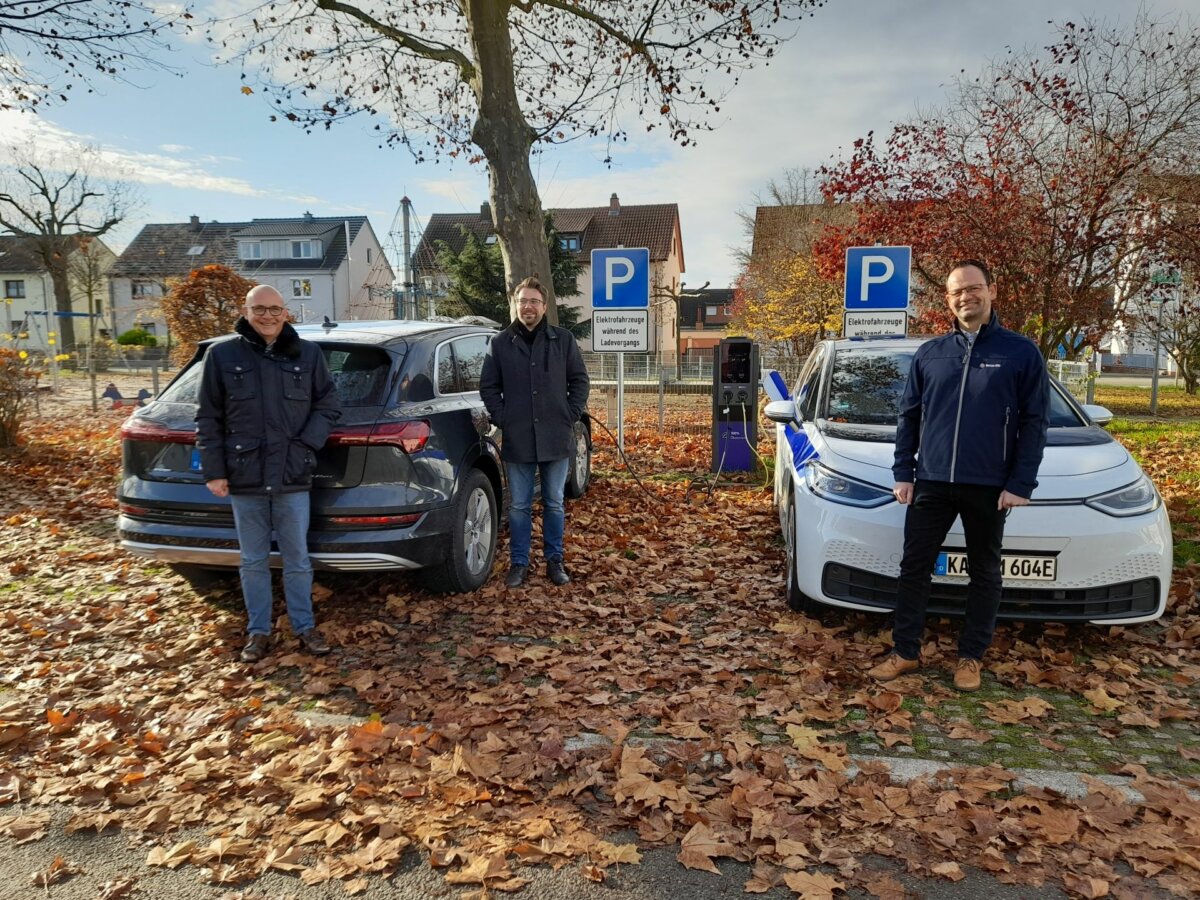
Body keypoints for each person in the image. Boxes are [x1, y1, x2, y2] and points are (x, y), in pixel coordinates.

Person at [869, 259, 1049, 692]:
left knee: (984, 573)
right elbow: (908, 417)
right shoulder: (931, 354)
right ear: (947, 301)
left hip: (989, 487)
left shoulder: (1020, 353)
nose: (966, 296)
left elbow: (1035, 422)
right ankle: (906, 652)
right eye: (957, 292)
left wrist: (1020, 483)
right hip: (930, 481)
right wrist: (903, 472)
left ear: (990, 292)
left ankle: (970, 658)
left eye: (973, 288)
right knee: (914, 567)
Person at [196, 285, 342, 663]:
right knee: (253, 561)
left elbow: (328, 404)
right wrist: (214, 470)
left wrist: (306, 444)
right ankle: (258, 632)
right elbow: (208, 417)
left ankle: (304, 627)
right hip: (244, 475)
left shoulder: (307, 354)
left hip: (293, 474)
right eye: (260, 309)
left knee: (297, 559)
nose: (268, 316)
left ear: (286, 312)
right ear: (245, 311)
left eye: (275, 309)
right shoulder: (222, 355)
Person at [480, 275, 590, 588]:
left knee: (554, 502)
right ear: (515, 306)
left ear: (543, 306)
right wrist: (503, 418)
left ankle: (555, 561)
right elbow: (488, 386)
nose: (528, 307)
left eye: (534, 301)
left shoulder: (563, 340)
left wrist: (569, 415)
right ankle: (519, 563)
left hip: (557, 437)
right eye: (523, 301)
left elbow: (580, 381)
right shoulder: (500, 344)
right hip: (519, 439)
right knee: (519, 506)